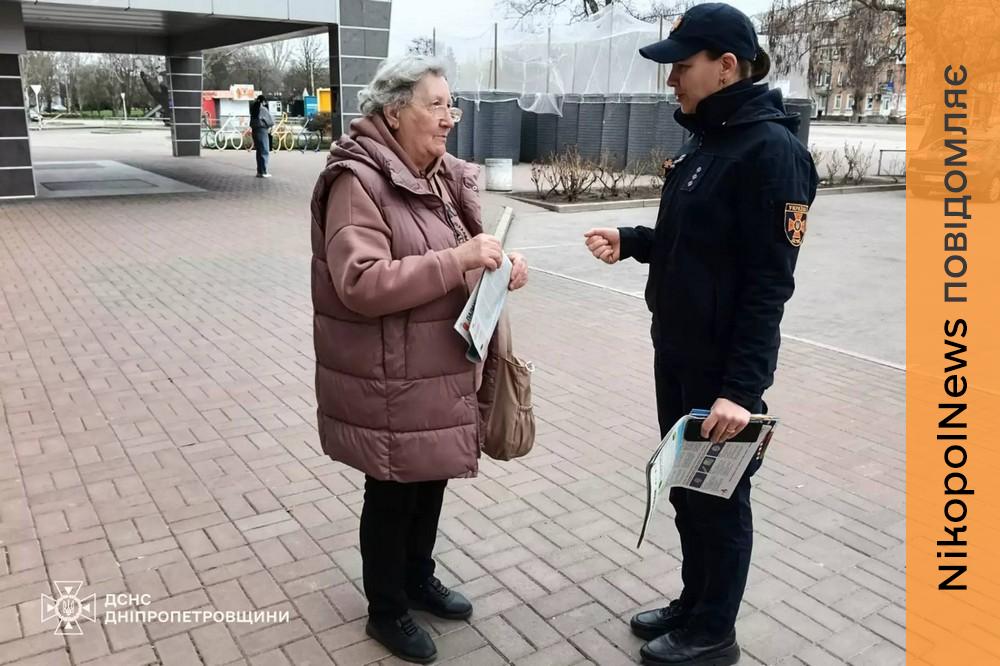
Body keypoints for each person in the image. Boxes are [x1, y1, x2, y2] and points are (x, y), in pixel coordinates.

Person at [584, 4, 818, 665]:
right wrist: (634, 241)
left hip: (722, 372)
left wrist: (741, 390)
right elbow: (698, 244)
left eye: (681, 68)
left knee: (720, 497)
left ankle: (714, 632)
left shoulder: (772, 155)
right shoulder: (707, 141)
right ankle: (693, 603)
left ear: (726, 67)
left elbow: (766, 285)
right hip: (679, 351)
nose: (671, 81)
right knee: (688, 489)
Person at [309, 55, 529, 664]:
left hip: (434, 368)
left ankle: (417, 577)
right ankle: (386, 607)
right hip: (390, 374)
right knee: (391, 491)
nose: (448, 118)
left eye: (450, 104)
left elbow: (455, 255)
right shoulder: (359, 182)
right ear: (394, 111)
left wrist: (498, 268)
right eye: (436, 105)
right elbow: (360, 281)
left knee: (430, 477)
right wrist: (459, 262)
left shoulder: (434, 176)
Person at [249, 94, 273, 177]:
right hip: (262, 130)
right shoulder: (263, 109)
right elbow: (270, 121)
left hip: (255, 130)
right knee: (264, 150)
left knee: (259, 151)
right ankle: (264, 171)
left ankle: (259, 171)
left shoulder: (254, 109)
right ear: (263, 101)